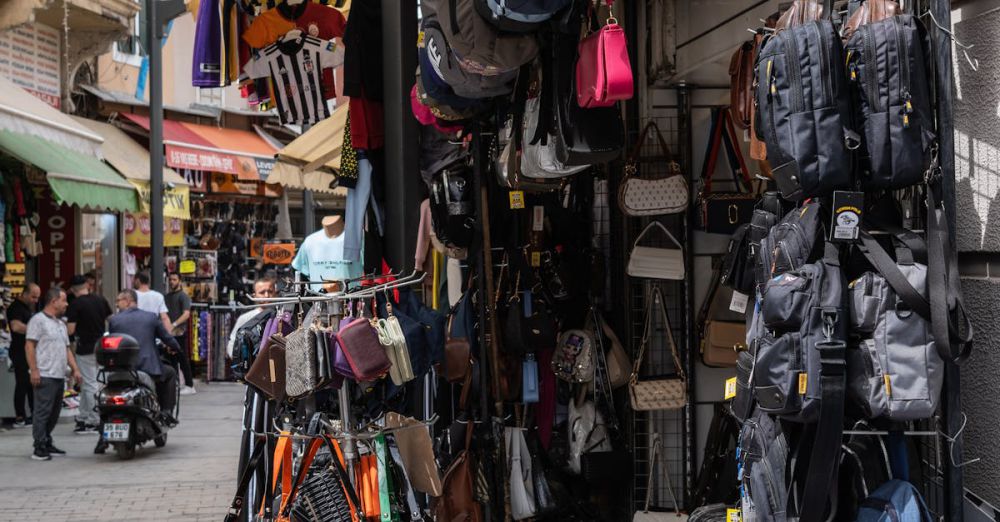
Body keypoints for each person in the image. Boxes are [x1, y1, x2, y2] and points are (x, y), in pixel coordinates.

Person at [26, 287, 81, 460]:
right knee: (42, 412)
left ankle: (47, 441)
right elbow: (29, 346)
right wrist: (34, 370)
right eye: (64, 300)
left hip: (59, 375)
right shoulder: (38, 321)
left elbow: (67, 349)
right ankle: (39, 446)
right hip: (44, 373)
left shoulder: (60, 324)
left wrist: (75, 369)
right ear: (53, 301)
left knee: (54, 412)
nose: (66, 304)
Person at [65, 275, 113, 434]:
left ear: (73, 290)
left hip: (85, 348)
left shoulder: (75, 304)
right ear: (87, 285)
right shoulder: (101, 300)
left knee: (90, 384)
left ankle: (94, 419)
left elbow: (70, 330)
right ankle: (84, 416)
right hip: (101, 345)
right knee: (94, 383)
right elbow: (111, 319)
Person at [8, 283, 40, 428]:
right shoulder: (15, 308)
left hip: (28, 350)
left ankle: (32, 414)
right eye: (33, 296)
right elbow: (15, 326)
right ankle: (20, 417)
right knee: (22, 383)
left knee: (30, 383)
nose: (35, 300)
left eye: (37, 297)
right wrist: (36, 330)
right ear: (25, 293)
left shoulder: (27, 308)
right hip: (19, 351)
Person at [227, 278, 276, 358]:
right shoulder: (246, 318)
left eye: (270, 291)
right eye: (262, 292)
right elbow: (233, 342)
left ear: (275, 293)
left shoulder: (282, 316)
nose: (267, 296)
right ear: (254, 295)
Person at [164, 273, 195, 395]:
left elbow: (186, 314)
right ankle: (175, 384)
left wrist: (174, 324)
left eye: (174, 279)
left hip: (179, 332)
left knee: (182, 359)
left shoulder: (183, 296)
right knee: (171, 360)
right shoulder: (167, 297)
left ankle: (189, 385)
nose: (172, 282)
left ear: (180, 281)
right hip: (169, 333)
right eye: (170, 279)